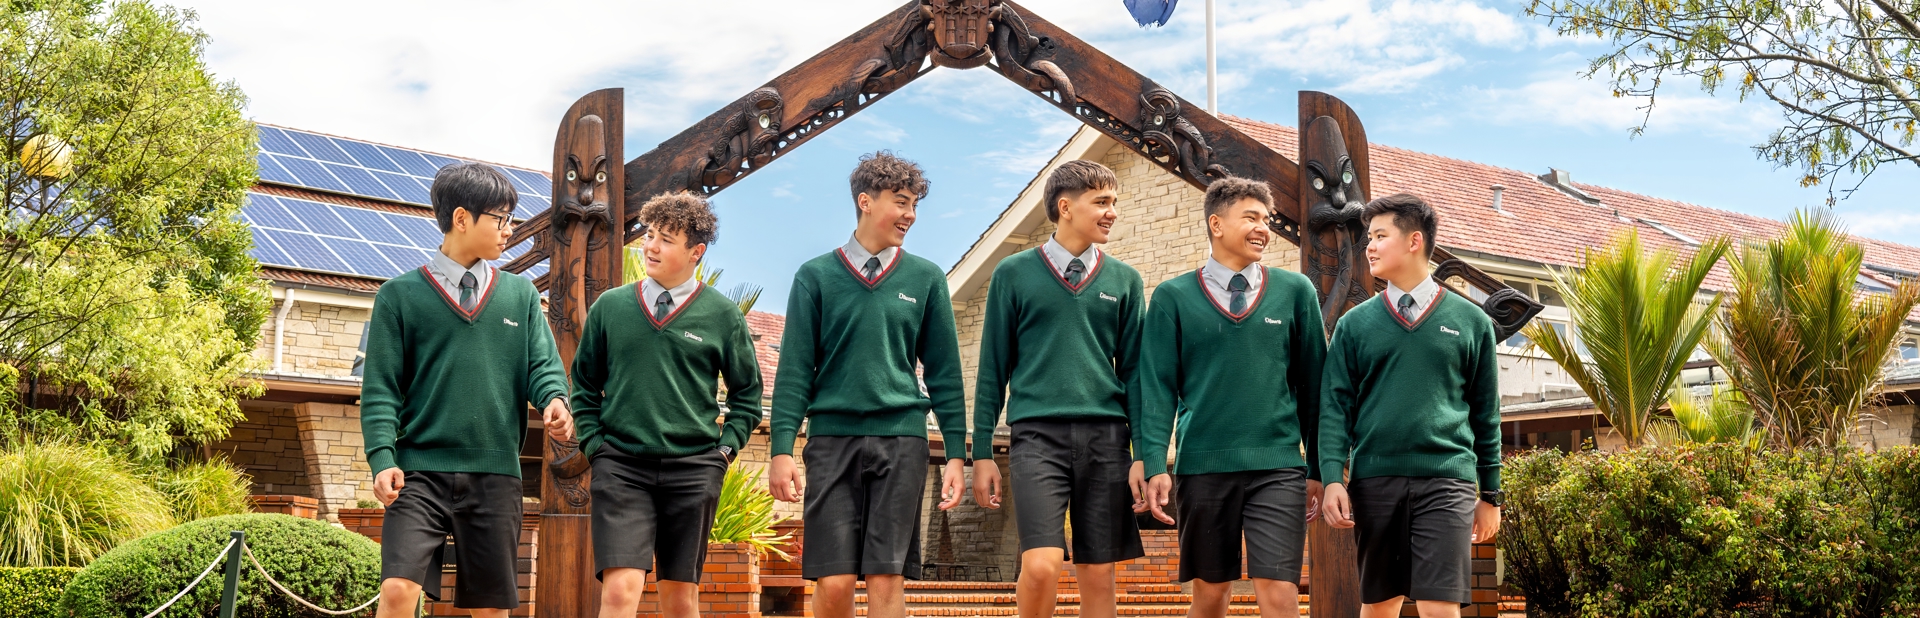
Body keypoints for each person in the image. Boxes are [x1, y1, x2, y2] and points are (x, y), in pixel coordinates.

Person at [360, 162, 572, 618]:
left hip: (496, 474)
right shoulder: (398, 296)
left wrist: (555, 400)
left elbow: (543, 367)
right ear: (461, 218)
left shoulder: (521, 296)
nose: (508, 231)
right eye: (501, 219)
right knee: (398, 590)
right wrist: (382, 457)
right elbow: (381, 389)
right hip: (417, 473)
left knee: (491, 609)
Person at [767, 151, 969, 618]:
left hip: (902, 442)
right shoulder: (815, 276)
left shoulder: (926, 278)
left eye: (915, 205)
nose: (910, 215)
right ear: (865, 201)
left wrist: (957, 453)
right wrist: (780, 450)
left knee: (887, 576)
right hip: (832, 441)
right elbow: (795, 370)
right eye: (901, 202)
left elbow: (945, 375)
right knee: (834, 582)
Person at [1131, 176, 1326, 618]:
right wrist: (1155, 463)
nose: (1264, 228)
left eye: (1267, 219)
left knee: (1280, 593)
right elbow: (1157, 389)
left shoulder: (1296, 293)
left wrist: (1318, 467)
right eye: (1252, 217)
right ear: (1216, 224)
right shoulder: (1172, 297)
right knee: (1211, 594)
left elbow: (1314, 389)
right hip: (1203, 466)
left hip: (1277, 468)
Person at [570, 192, 763, 618]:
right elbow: (583, 386)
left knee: (679, 598)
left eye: (666, 239)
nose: (650, 246)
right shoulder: (612, 307)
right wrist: (594, 446)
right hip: (620, 466)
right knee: (620, 590)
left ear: (696, 252)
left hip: (694, 470)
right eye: (650, 234)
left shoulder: (723, 316)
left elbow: (747, 397)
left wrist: (723, 453)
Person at [970, 160, 1145, 618]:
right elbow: (992, 368)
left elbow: (1135, 375)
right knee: (1043, 564)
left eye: (1114, 203)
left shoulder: (1125, 281)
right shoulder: (1013, 273)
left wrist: (1143, 451)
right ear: (1065, 207)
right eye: (1101, 202)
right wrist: (983, 450)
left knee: (1098, 573)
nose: (1111, 212)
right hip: (1036, 438)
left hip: (1107, 439)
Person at [1317, 193, 1503, 618]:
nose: (1370, 246)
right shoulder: (1354, 325)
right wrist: (1331, 478)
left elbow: (1486, 416)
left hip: (1446, 482)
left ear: (1414, 241)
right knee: (1380, 606)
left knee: (1440, 607)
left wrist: (1490, 494)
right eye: (1369, 237)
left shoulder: (1471, 322)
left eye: (1380, 235)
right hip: (1373, 481)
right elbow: (1334, 410)